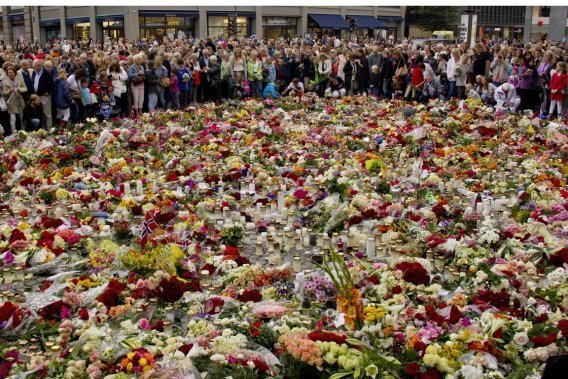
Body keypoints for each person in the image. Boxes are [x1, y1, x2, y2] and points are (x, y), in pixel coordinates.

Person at [32, 59, 54, 129]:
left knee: (46, 113)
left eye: (39, 65)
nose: (38, 67)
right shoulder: (33, 72)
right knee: (39, 113)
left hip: (44, 96)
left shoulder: (46, 73)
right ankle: (42, 128)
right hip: (36, 96)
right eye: (36, 65)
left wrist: (48, 92)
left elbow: (52, 84)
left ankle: (49, 128)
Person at [2, 66, 24, 134]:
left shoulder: (20, 79)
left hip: (19, 100)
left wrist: (20, 90)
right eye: (9, 73)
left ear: (14, 73)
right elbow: (4, 93)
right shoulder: (5, 82)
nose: (10, 74)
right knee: (13, 119)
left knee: (21, 117)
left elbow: (25, 88)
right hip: (11, 102)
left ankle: (23, 132)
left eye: (11, 72)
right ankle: (13, 133)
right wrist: (9, 91)